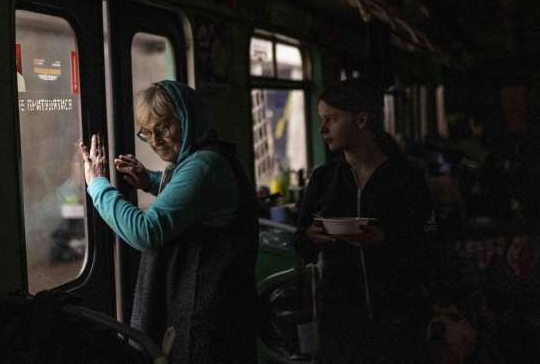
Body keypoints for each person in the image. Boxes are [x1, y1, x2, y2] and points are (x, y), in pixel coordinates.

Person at [79, 81, 258, 364]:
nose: (154, 141)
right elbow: (195, 204)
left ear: (188, 119)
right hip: (212, 310)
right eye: (146, 132)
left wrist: (98, 184)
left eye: (163, 127)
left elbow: (145, 231)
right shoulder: (200, 159)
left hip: (206, 318)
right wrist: (150, 180)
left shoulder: (205, 166)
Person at [292, 78, 437, 363]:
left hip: (398, 319)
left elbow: (431, 235)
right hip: (340, 320)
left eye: (331, 119)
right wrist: (310, 235)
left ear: (361, 120)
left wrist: (386, 238)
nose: (323, 129)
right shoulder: (323, 179)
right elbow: (300, 244)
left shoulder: (407, 178)